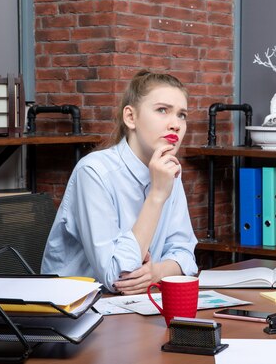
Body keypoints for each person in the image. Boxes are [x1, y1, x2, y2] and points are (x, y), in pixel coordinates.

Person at [41, 70, 198, 295]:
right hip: (77, 311)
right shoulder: (94, 172)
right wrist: (156, 195)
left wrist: (157, 272)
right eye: (162, 110)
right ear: (130, 117)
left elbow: (185, 252)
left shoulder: (168, 168)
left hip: (136, 305)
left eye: (182, 115)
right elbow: (116, 277)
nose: (176, 124)